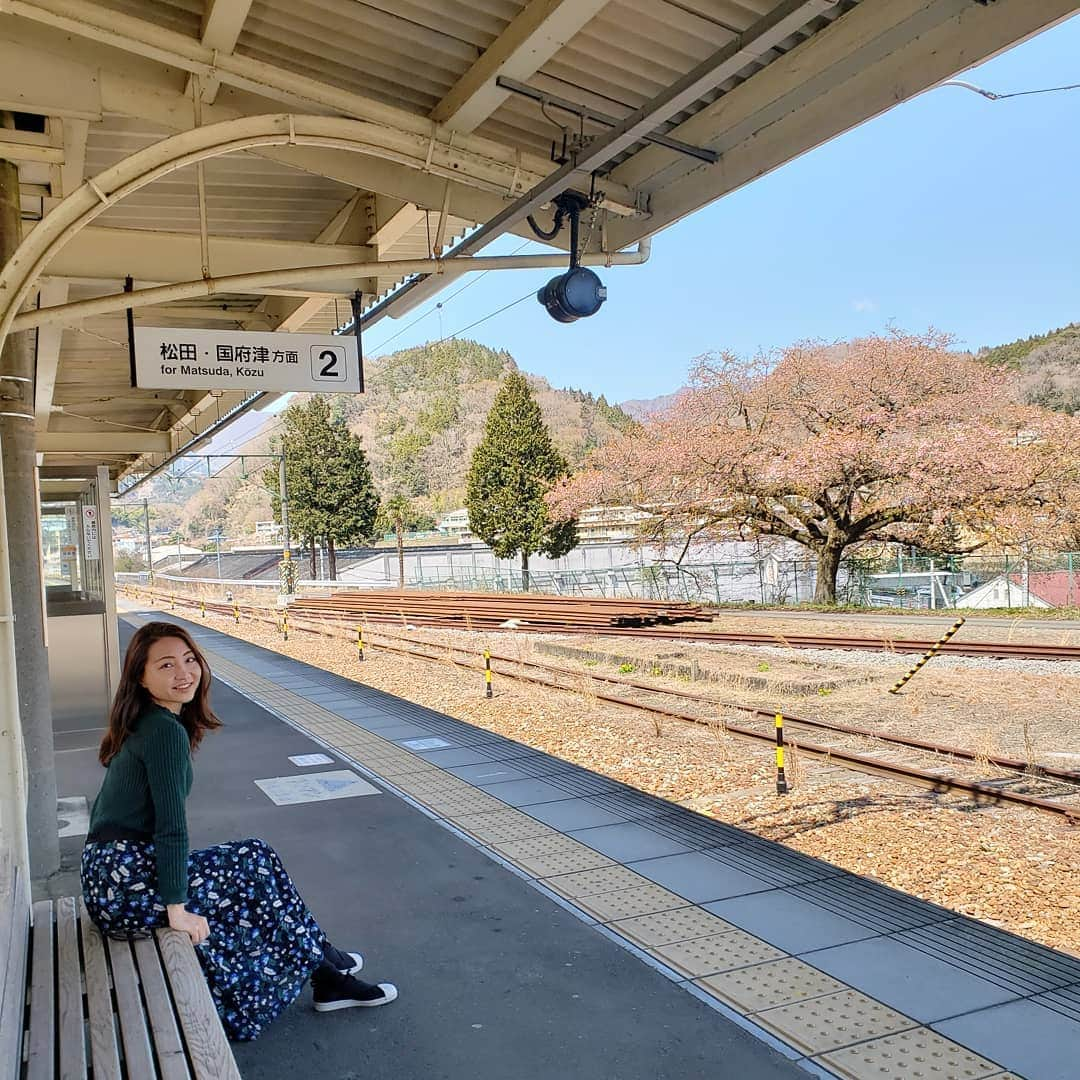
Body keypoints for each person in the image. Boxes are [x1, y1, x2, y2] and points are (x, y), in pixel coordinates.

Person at [81, 620, 397, 1041]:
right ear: (140, 676)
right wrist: (177, 908)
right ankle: (324, 971)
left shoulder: (147, 722)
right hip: (124, 888)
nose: (184, 673)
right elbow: (171, 828)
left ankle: (324, 962)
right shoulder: (162, 733)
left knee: (254, 856)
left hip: (111, 878)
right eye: (166, 665)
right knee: (250, 868)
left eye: (190, 660)